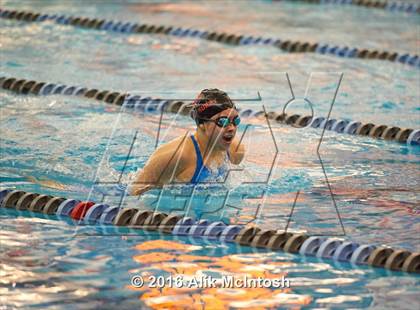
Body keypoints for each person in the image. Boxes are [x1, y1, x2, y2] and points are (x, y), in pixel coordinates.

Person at [129, 89, 245, 196]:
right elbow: (135, 192)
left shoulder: (235, 151)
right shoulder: (176, 156)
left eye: (235, 120)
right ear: (202, 124)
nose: (232, 128)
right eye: (223, 122)